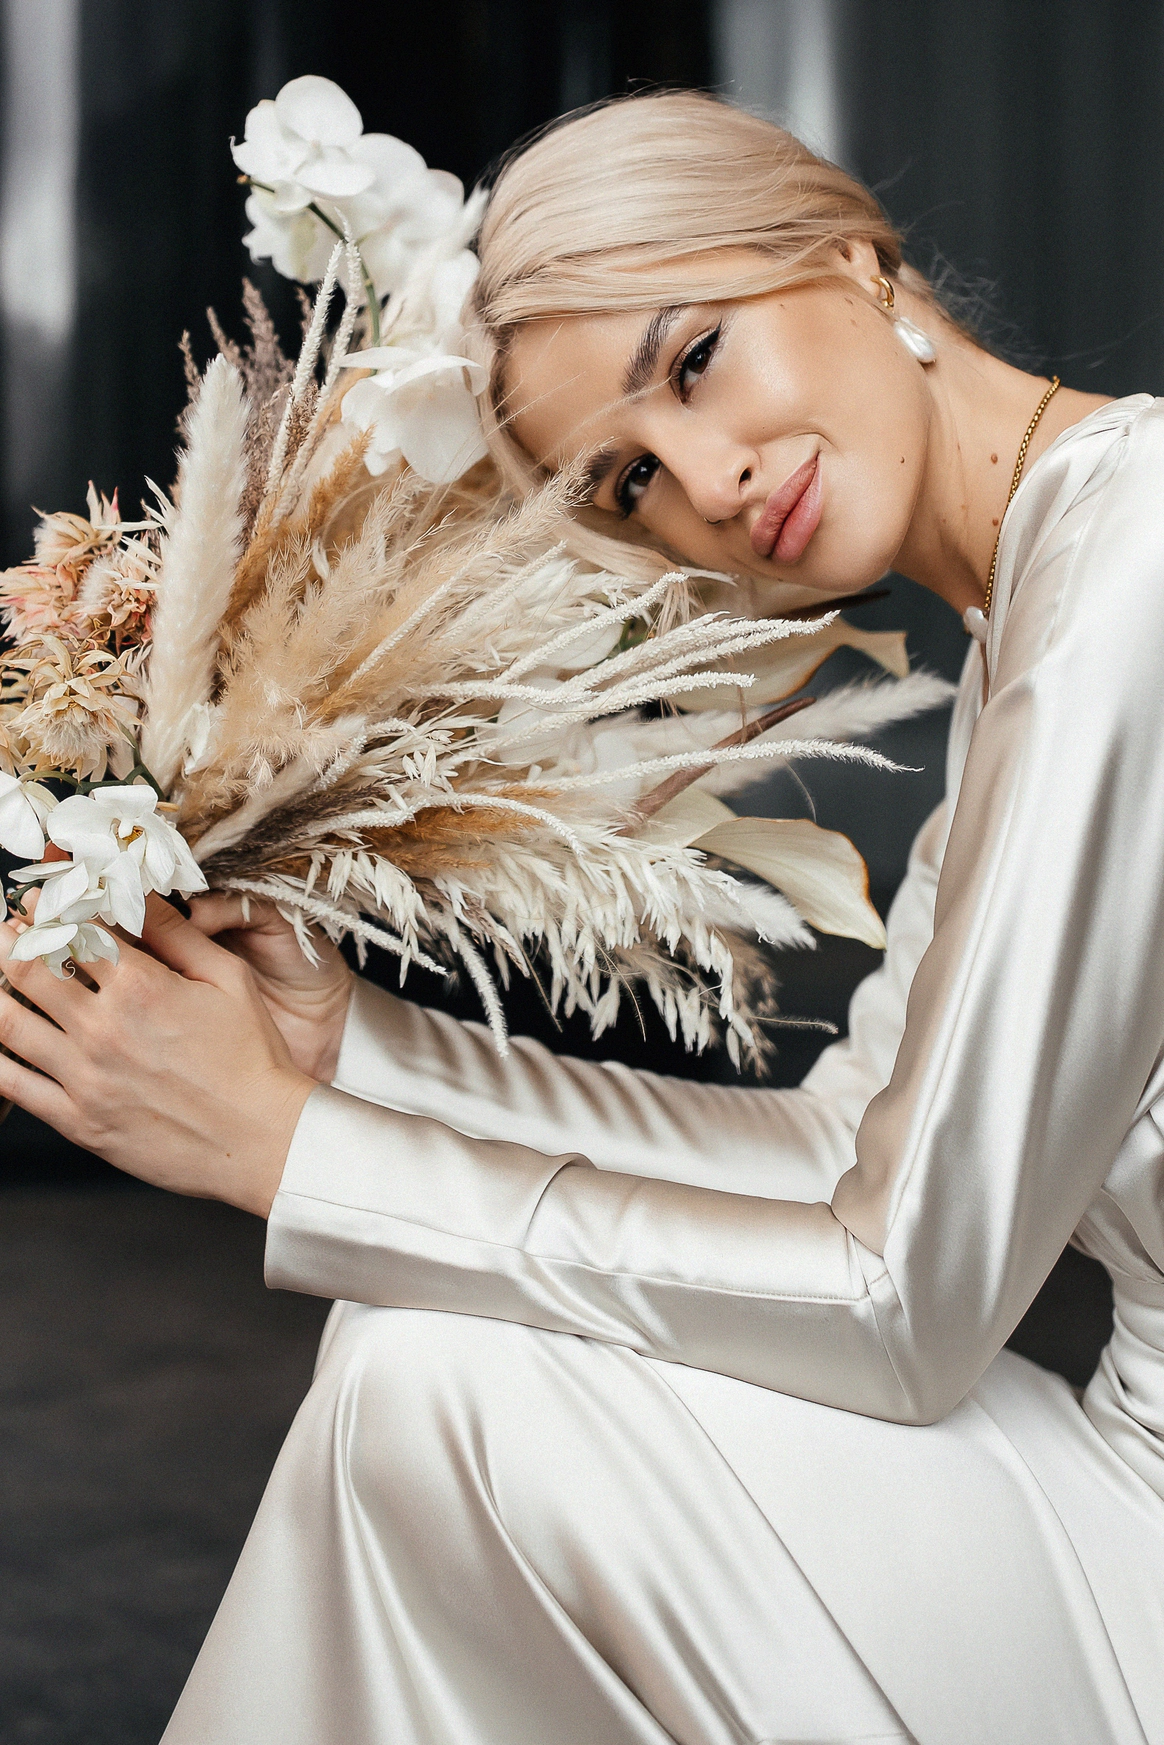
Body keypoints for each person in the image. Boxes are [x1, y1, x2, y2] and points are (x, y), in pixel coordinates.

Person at [2, 91, 1163, 1744]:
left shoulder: (1130, 577)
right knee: (428, 1368)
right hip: (1121, 1490)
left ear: (849, 254)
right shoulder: (1040, 605)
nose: (709, 479)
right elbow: (846, 1151)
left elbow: (903, 1299)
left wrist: (295, 1158)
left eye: (694, 359)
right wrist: (349, 1058)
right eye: (628, 481)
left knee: (453, 1391)